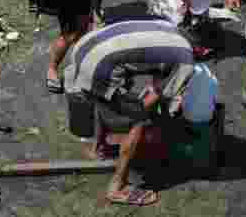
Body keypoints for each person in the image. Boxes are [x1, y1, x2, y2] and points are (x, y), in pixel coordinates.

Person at [63, 19, 197, 207]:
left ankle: (99, 148)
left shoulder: (169, 29)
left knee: (109, 97)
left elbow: (156, 75)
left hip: (85, 46)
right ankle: (117, 187)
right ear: (202, 49)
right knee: (138, 120)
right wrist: (140, 112)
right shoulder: (186, 58)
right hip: (100, 67)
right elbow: (159, 94)